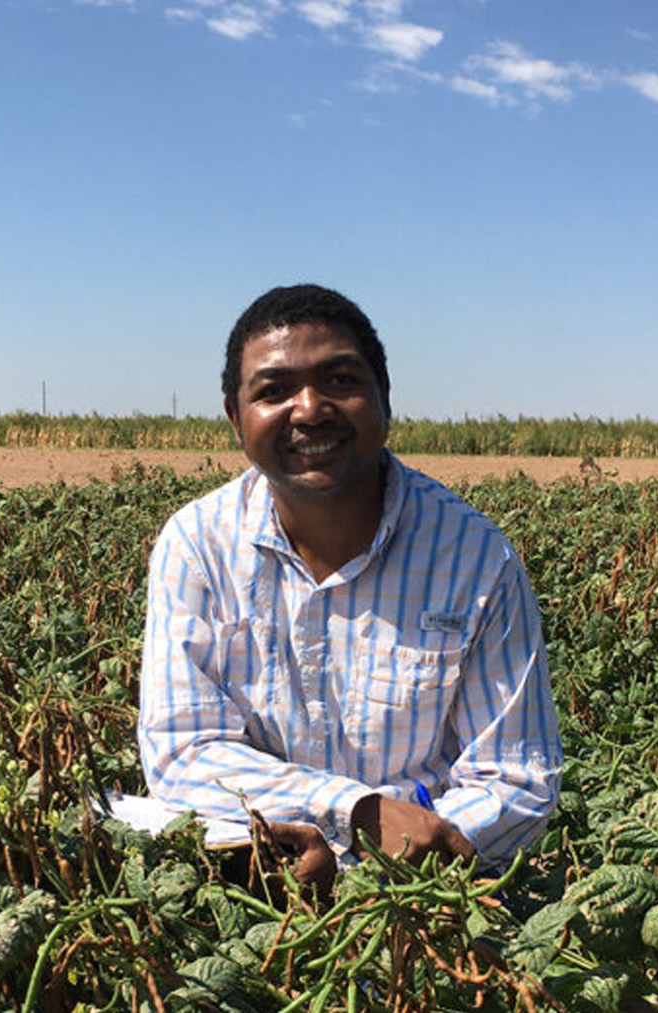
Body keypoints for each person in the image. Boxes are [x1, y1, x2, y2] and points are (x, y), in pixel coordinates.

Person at [135, 284, 562, 882]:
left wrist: (388, 859)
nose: (309, 409)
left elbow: (516, 777)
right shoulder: (197, 545)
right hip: (252, 878)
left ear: (384, 398)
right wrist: (356, 813)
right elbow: (184, 751)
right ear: (236, 419)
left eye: (340, 381)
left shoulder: (475, 557)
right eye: (274, 391)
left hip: (421, 893)